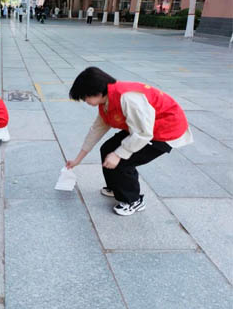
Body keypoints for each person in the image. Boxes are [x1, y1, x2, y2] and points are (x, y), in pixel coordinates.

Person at [67, 67, 193, 216]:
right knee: (108, 149)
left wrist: (120, 154)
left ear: (98, 92)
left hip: (164, 130)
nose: (85, 101)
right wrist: (78, 159)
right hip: (143, 127)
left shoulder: (128, 98)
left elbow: (144, 133)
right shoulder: (106, 101)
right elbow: (96, 130)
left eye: (85, 97)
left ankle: (133, 200)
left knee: (122, 160)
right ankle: (116, 187)